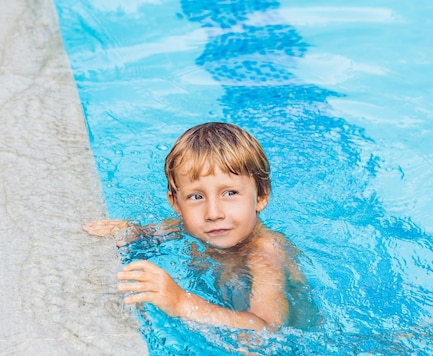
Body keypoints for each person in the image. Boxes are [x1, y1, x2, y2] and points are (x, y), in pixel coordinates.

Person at [84, 122, 318, 332]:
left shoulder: (265, 253)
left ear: (261, 196)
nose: (213, 213)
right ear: (176, 202)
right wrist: (131, 232)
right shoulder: (187, 227)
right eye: (196, 197)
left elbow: (266, 331)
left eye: (230, 193)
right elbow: (149, 237)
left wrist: (181, 302)